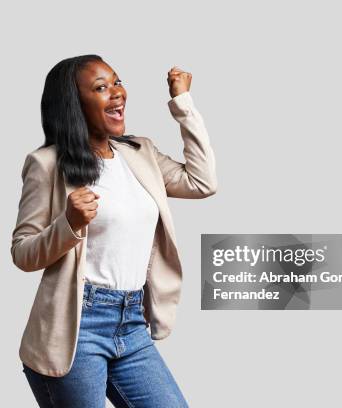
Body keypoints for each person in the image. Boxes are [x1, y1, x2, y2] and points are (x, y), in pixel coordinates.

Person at [11, 54, 217, 407]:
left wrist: (183, 105)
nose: (117, 93)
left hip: (132, 322)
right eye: (101, 87)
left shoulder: (140, 153)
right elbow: (23, 253)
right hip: (76, 327)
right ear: (74, 103)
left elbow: (202, 182)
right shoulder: (47, 164)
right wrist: (69, 225)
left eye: (117, 82)